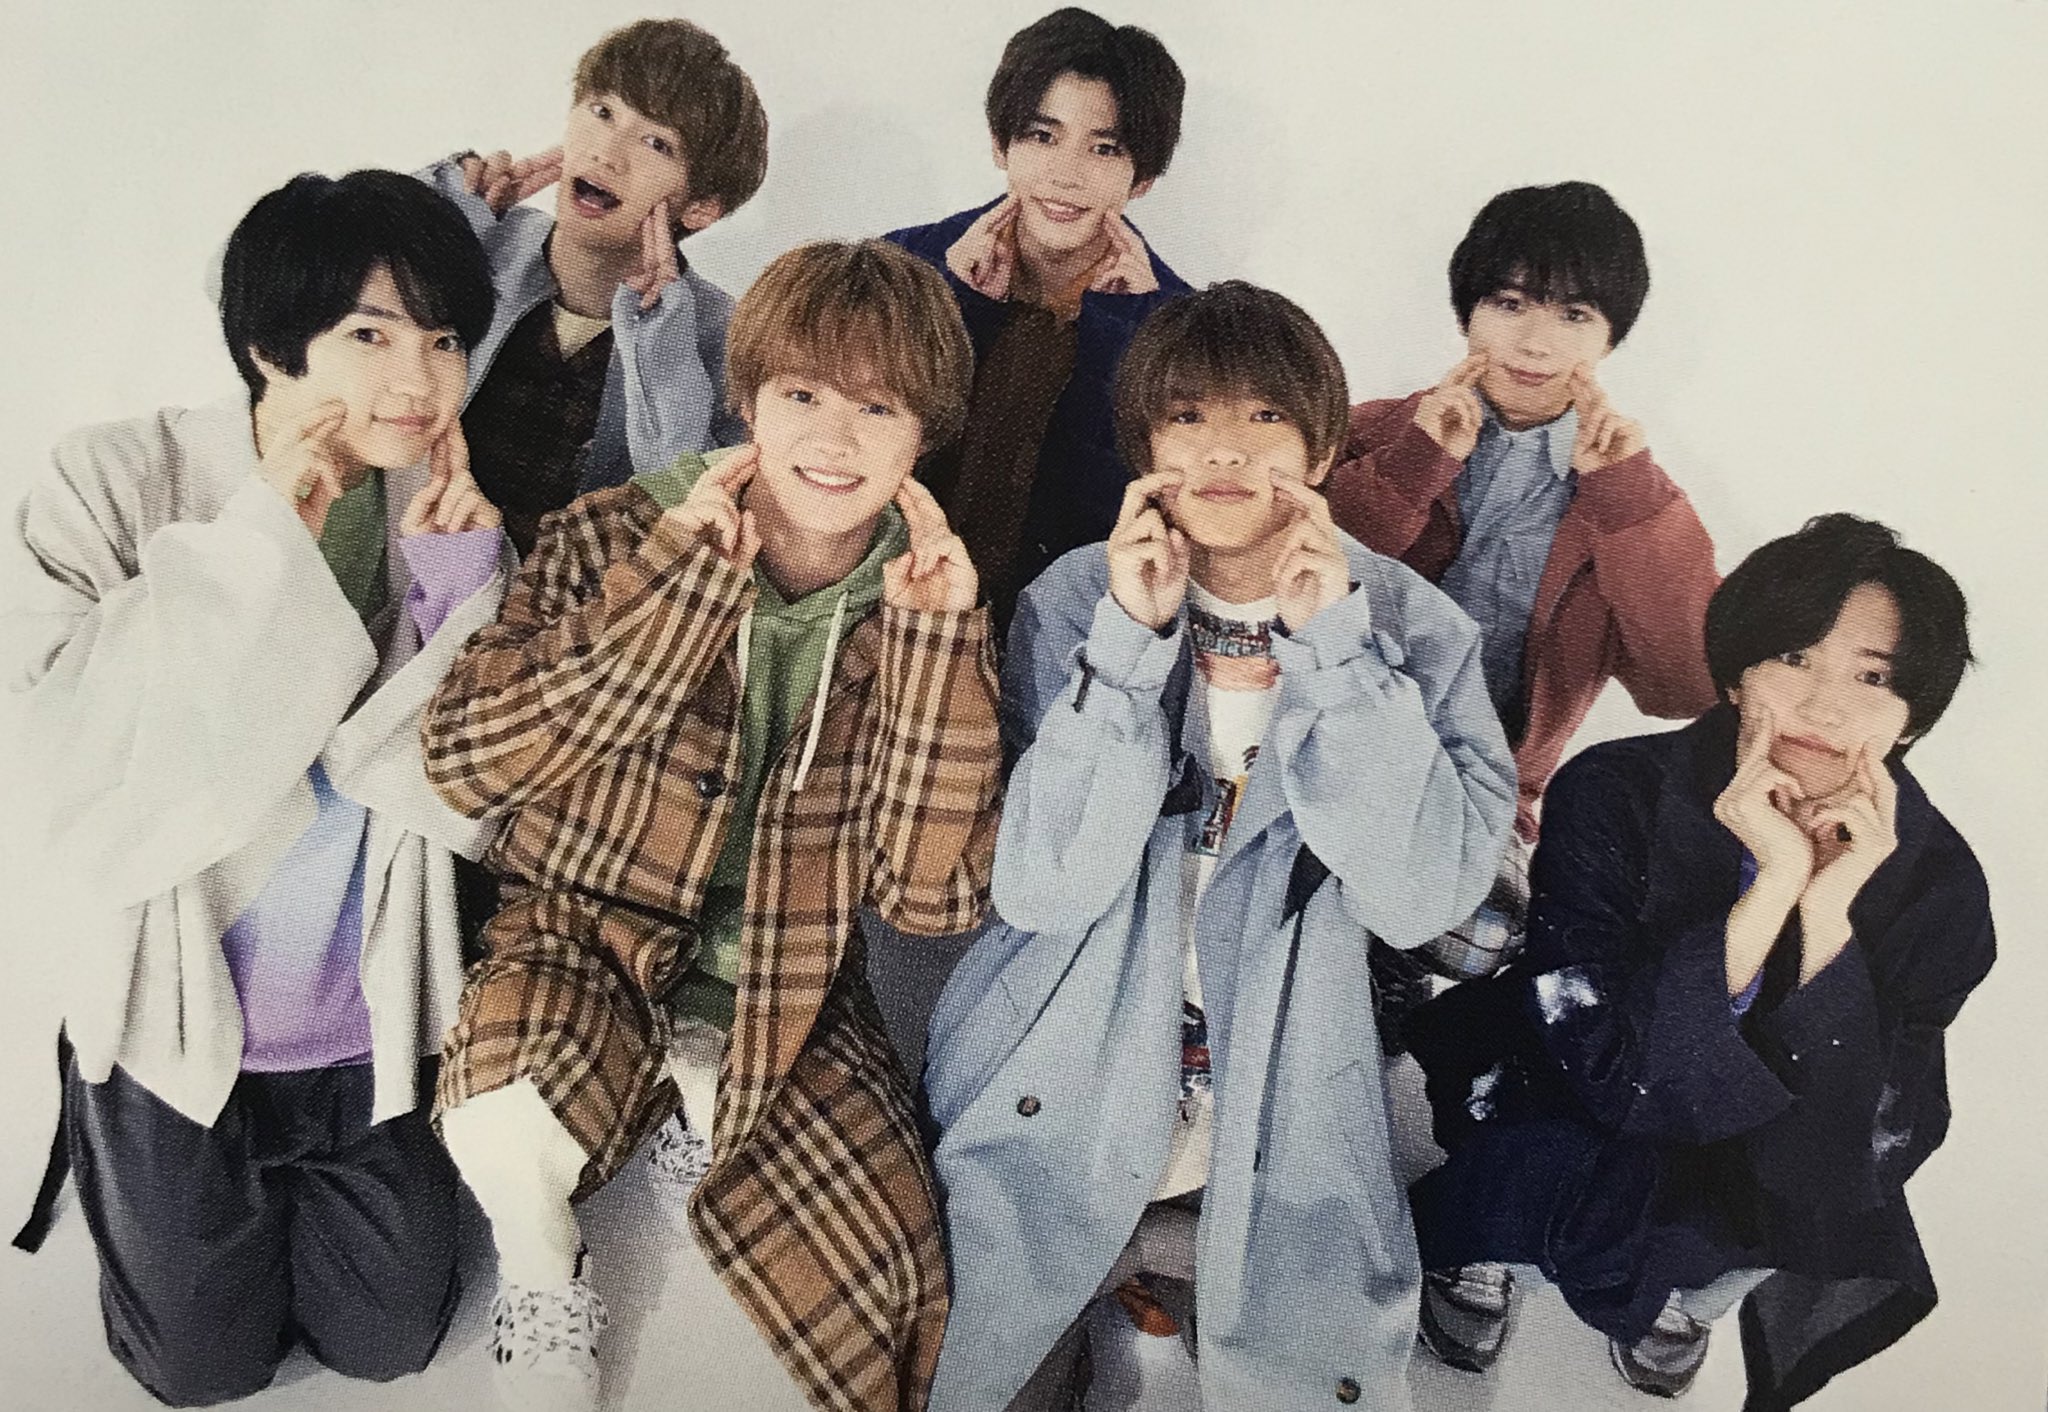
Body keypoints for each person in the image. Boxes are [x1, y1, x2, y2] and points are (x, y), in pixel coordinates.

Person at [421, 239, 1002, 1412]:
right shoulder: (609, 531)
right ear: (748, 398)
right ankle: (545, 1271)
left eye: (876, 406)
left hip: (784, 982)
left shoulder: (932, 596)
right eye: (802, 394)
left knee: (893, 1297)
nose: (832, 440)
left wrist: (935, 649)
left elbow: (927, 895)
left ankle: (701, 1084)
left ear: (920, 435)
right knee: (497, 1101)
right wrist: (676, 591)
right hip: (577, 929)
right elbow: (467, 763)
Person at [922, 282, 1517, 1410]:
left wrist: (1337, 653)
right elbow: (1044, 887)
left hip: (1278, 1105)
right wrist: (1126, 644)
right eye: (1187, 415)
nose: (1224, 451)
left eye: (1264, 417)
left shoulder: (1411, 625)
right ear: (1145, 445)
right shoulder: (1074, 600)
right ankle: (1125, 1262)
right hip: (1059, 1082)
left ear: (1322, 447)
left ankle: (1163, 1259)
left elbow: (1419, 897)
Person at [0, 170, 507, 1405]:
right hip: (176, 1010)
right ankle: (107, 1128)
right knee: (194, 1369)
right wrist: (254, 543)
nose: (418, 379)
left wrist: (462, 590)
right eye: (370, 335)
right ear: (268, 346)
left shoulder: (446, 507)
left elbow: (471, 798)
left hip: (367, 1011)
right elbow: (75, 762)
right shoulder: (115, 476)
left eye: (444, 338)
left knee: (389, 1340)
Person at [1405, 514, 1993, 1405]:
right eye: (1794, 657)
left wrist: (1824, 913)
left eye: (1872, 677)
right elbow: (1604, 1059)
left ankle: (1688, 1291)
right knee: (1542, 1132)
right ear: (1733, 674)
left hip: (1763, 1140)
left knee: (1814, 1192)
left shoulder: (1941, 886)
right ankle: (1486, 1244)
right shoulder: (1615, 788)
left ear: (1913, 718)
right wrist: (1769, 890)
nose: (1824, 707)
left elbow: (1866, 1138)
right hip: (1579, 1075)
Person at [1324, 180, 1720, 1060]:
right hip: (1326, 745)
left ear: (1611, 335)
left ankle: (1376, 954)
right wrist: (1415, 465)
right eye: (1509, 304)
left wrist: (1625, 499)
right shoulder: (1375, 432)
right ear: (1468, 311)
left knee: (1485, 938)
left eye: (1573, 314)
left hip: (1481, 791)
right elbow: (1287, 582)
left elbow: (1685, 685)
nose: (1536, 342)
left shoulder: (1630, 493)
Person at [887, 6, 1191, 632]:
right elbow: (873, 452)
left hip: (1068, 637)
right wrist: (956, 304)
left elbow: (1122, 520)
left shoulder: (1178, 328)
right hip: (891, 606)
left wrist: (1116, 333)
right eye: (1041, 136)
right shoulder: (903, 268)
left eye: (1104, 148)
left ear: (1143, 178)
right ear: (1000, 144)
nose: (1066, 174)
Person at [420, 16, 769, 554]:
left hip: (574, 601)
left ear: (700, 208)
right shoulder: (483, 242)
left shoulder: (730, 340)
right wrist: (435, 219)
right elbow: (327, 324)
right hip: (414, 566)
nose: (607, 152)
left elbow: (692, 516)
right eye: (602, 112)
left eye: (657, 143)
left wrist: (663, 354)